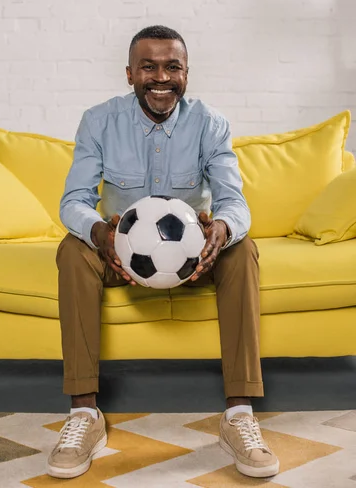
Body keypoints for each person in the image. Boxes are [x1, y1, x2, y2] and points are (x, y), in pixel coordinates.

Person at [47, 25, 280, 480]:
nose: (161, 77)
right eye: (148, 66)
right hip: (118, 252)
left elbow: (234, 200)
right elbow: (73, 201)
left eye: (172, 67)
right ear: (130, 73)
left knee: (242, 249)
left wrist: (224, 230)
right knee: (71, 252)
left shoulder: (210, 123)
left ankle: (238, 414)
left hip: (195, 256)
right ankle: (84, 415)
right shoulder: (99, 120)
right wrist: (100, 235)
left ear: (186, 73)